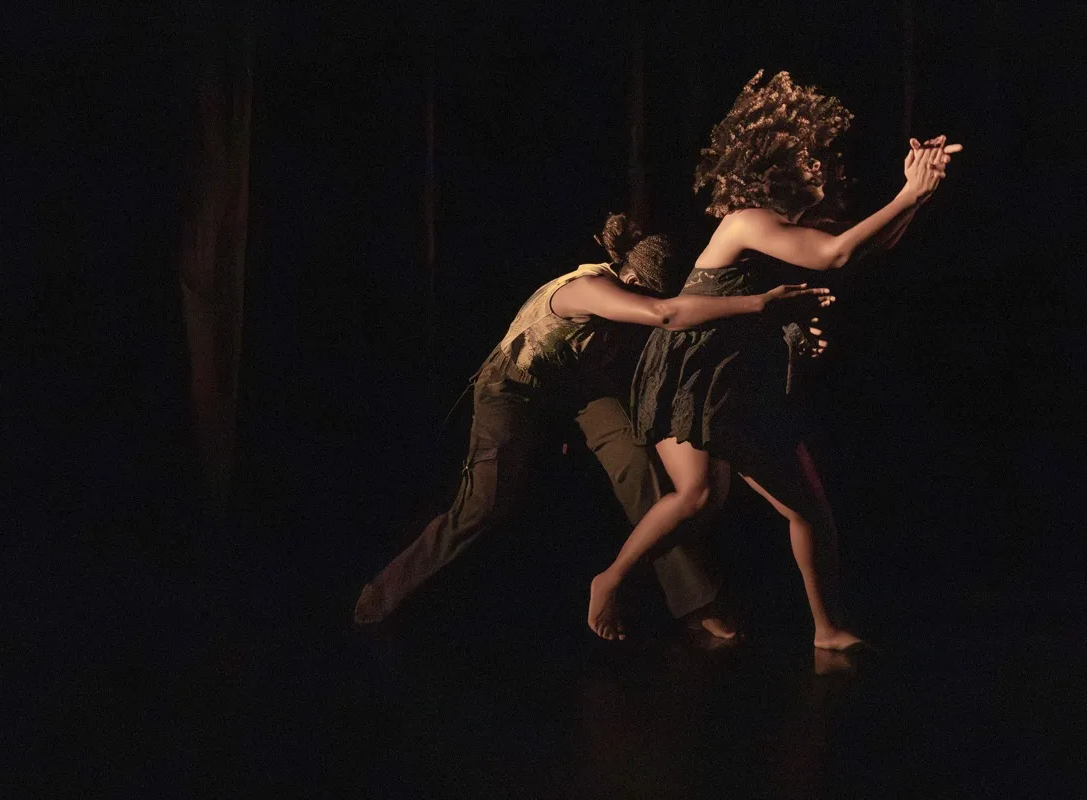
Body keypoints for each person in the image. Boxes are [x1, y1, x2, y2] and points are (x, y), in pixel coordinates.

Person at [586, 70, 961, 647]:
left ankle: (824, 628)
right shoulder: (747, 220)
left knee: (747, 501)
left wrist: (919, 194)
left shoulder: (785, 226)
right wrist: (908, 195)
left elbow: (861, 248)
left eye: (820, 159)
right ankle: (613, 581)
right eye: (805, 159)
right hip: (698, 371)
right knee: (737, 500)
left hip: (726, 371)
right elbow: (835, 255)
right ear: (769, 163)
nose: (818, 168)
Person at [354, 213, 833, 639]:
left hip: (577, 385)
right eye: (646, 293)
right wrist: (759, 303)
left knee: (640, 468)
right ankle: (381, 600)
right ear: (632, 279)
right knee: (483, 503)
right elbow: (666, 315)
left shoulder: (630, 293)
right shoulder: (587, 288)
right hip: (513, 386)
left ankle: (696, 602)